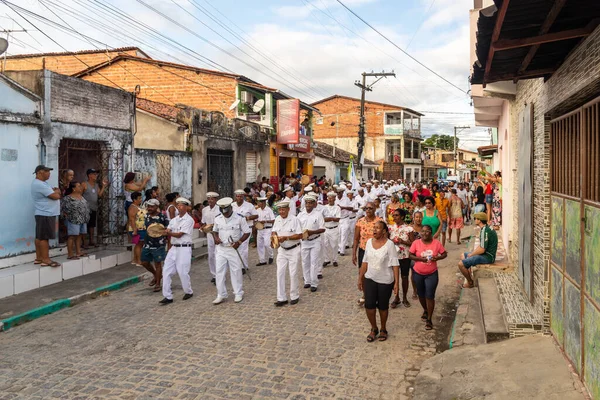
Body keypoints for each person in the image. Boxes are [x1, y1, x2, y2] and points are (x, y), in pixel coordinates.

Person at [358, 220, 399, 342]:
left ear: (384, 231)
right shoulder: (369, 242)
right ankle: (374, 328)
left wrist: (397, 283)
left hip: (385, 280)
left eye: (378, 228)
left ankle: (383, 329)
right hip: (370, 278)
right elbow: (365, 261)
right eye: (373, 228)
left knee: (383, 306)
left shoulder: (389, 245)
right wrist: (360, 278)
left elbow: (395, 264)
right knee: (369, 305)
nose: (374, 230)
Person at [211, 197, 251, 304]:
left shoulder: (239, 218)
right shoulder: (218, 218)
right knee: (219, 272)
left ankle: (238, 293)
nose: (225, 214)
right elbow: (214, 231)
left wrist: (239, 242)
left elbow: (247, 232)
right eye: (223, 211)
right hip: (221, 249)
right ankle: (221, 294)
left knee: (236, 271)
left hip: (234, 249)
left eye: (227, 211)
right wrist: (216, 238)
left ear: (230, 208)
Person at [409, 224, 447, 330]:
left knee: (430, 295)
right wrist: (421, 259)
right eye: (423, 231)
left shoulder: (436, 243)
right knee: (421, 295)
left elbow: (444, 254)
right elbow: (410, 255)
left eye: (427, 231)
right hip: (418, 273)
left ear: (431, 232)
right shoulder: (416, 243)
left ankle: (429, 319)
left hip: (432, 274)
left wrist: (437, 258)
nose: (424, 234)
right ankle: (425, 310)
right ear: (420, 233)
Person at [159, 197, 195, 305]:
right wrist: (165, 231)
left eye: (181, 205)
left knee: (183, 272)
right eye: (178, 205)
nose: (179, 207)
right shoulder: (174, 220)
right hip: (173, 247)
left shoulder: (189, 220)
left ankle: (188, 291)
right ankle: (167, 296)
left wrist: (167, 233)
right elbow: (169, 229)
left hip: (184, 248)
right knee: (166, 271)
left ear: (186, 207)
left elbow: (179, 235)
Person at [271, 199, 303, 306]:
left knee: (293, 273)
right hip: (282, 250)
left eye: (283, 209)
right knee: (279, 273)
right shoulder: (277, 219)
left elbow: (299, 235)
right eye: (279, 210)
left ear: (288, 209)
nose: (281, 212)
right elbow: (274, 231)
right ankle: (281, 298)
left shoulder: (294, 219)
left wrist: (286, 238)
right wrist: (274, 238)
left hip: (294, 249)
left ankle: (294, 295)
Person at [31, 165, 62, 267]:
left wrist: (55, 191)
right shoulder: (39, 184)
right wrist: (57, 192)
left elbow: (54, 191)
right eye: (47, 171)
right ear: (40, 172)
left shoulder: (43, 184)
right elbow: (55, 196)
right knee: (44, 237)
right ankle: (46, 259)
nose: (49, 174)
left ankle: (39, 258)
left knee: (39, 236)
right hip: (45, 213)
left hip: (44, 213)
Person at [353, 202, 382, 304]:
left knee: (376, 272)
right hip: (363, 250)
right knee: (363, 273)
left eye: (370, 208)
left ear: (375, 209)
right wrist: (353, 254)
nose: (368, 210)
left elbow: (384, 237)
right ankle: (366, 295)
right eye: (366, 208)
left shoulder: (379, 221)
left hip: (376, 250)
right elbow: (356, 239)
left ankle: (377, 294)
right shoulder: (360, 222)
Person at [458, 212, 498, 288]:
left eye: (475, 219)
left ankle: (470, 283)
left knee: (461, 264)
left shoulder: (484, 231)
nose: (475, 220)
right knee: (463, 255)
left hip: (488, 256)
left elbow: (482, 249)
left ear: (479, 220)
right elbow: (482, 246)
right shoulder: (487, 228)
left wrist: (472, 254)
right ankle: (469, 271)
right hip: (486, 253)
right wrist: (472, 253)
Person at [297, 195, 326, 291]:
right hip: (304, 241)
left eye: (310, 203)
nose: (308, 205)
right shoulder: (300, 215)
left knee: (314, 262)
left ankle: (314, 283)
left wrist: (311, 232)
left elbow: (322, 229)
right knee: (305, 261)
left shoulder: (318, 214)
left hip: (315, 240)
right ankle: (307, 281)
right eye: (307, 203)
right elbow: (297, 228)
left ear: (314, 204)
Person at [389, 209, 416, 309]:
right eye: (393, 215)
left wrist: (403, 242)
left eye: (396, 215)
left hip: (404, 256)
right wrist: (392, 241)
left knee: (404, 277)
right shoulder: (390, 228)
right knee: (394, 278)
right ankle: (396, 297)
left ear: (402, 217)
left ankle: (404, 297)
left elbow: (413, 243)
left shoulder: (409, 229)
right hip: (393, 256)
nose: (394, 217)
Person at [142, 199, 168, 292]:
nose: (149, 208)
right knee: (144, 262)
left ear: (157, 207)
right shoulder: (146, 216)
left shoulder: (162, 217)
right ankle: (156, 275)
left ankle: (158, 284)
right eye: (148, 206)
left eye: (152, 206)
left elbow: (167, 229)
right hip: (147, 243)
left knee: (158, 264)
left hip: (158, 244)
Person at [61, 181, 90, 260]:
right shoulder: (68, 198)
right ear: (73, 188)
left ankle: (78, 252)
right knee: (72, 236)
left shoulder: (81, 196)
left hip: (82, 220)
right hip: (73, 220)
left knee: (80, 235)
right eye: (79, 186)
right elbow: (63, 209)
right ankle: (70, 254)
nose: (81, 187)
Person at [232, 189, 258, 272]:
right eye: (237, 196)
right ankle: (237, 265)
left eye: (240, 196)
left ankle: (244, 266)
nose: (239, 198)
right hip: (235, 229)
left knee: (243, 247)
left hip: (246, 228)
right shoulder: (232, 205)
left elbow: (256, 215)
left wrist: (247, 218)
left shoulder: (249, 205)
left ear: (243, 197)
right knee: (237, 247)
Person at [82, 169, 108, 248]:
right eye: (94, 174)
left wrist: (103, 186)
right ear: (89, 175)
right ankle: (84, 242)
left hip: (93, 208)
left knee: (92, 225)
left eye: (96, 174)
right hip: (85, 208)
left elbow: (99, 195)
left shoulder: (96, 185)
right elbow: (79, 194)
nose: (96, 176)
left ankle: (91, 241)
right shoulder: (84, 184)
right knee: (84, 225)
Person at [201, 192, 221, 284]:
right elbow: (204, 222)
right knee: (211, 255)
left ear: (216, 199)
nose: (210, 200)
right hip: (209, 234)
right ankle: (213, 274)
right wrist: (203, 227)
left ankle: (219, 275)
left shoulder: (220, 209)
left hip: (218, 233)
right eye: (208, 199)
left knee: (219, 254)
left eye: (212, 199)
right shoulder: (204, 210)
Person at [321, 192, 341, 268]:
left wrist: (328, 218)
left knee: (334, 245)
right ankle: (326, 259)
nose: (330, 199)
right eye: (329, 198)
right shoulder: (324, 207)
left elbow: (337, 219)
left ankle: (335, 260)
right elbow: (322, 219)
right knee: (324, 245)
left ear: (334, 199)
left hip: (334, 229)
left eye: (332, 198)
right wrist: (332, 218)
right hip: (326, 229)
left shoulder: (337, 208)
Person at [127, 192, 146, 266]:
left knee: (139, 244)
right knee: (139, 244)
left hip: (141, 228)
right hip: (137, 229)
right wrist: (135, 230)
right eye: (139, 198)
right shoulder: (132, 208)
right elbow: (132, 219)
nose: (141, 200)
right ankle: (138, 261)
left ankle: (135, 259)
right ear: (134, 199)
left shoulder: (137, 206)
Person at [255, 197, 275, 266]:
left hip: (267, 229)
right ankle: (262, 260)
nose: (258, 203)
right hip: (260, 229)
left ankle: (271, 256)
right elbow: (255, 220)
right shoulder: (257, 210)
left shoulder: (269, 210)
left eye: (259, 202)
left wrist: (265, 221)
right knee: (260, 245)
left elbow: (273, 220)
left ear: (263, 202)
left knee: (267, 244)